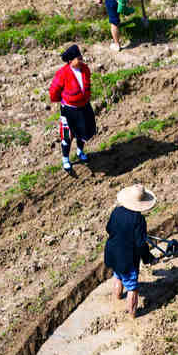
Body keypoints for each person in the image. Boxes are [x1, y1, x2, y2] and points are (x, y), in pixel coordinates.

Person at [104, 183, 155, 317]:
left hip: (112, 253)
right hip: (127, 259)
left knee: (118, 275)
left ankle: (117, 298)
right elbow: (140, 244)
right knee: (132, 287)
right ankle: (133, 315)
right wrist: (147, 258)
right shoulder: (139, 220)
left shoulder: (117, 211)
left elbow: (108, 229)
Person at [49, 43, 97, 172]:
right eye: (78, 58)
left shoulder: (85, 69)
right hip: (69, 110)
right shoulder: (62, 74)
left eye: (81, 57)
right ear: (71, 60)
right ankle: (65, 159)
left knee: (83, 132)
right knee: (67, 136)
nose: (81, 60)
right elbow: (54, 91)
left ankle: (80, 151)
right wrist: (64, 100)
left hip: (84, 107)